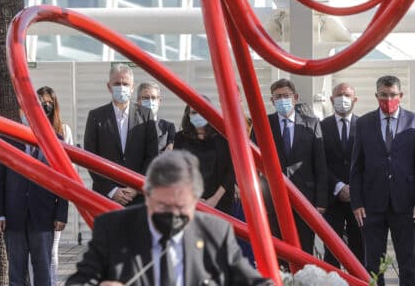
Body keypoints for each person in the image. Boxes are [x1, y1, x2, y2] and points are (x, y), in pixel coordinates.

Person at [65, 150, 272, 286]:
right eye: (163, 205)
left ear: (195, 201)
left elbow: (252, 281)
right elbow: (79, 281)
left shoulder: (215, 232)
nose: (172, 214)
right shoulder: (113, 228)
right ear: (147, 196)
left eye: (180, 207)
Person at [350, 75, 415, 286]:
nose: (388, 99)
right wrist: (356, 203)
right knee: (372, 265)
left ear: (401, 95)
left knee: (408, 263)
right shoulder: (364, 123)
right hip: (371, 206)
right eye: (383, 95)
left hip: (405, 205)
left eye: (393, 94)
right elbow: (356, 167)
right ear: (377, 95)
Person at [0, 110, 69, 286]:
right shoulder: (7, 140)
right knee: (16, 273)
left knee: (43, 272)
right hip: (14, 217)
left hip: (44, 216)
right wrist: (0, 214)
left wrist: (61, 212)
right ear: (22, 111)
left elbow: (63, 179)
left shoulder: (55, 140)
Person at [264, 78, 328, 254]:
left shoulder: (312, 123)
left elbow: (320, 165)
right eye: (277, 97)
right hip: (273, 199)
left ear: (295, 97)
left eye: (286, 96)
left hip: (305, 199)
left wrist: (321, 202)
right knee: (277, 251)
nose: (282, 100)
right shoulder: (263, 124)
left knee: (304, 250)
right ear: (272, 100)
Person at [83, 64, 158, 206]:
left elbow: (152, 155)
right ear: (109, 86)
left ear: (132, 87)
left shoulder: (146, 115)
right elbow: (90, 156)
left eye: (125, 84)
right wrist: (112, 190)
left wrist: (137, 187)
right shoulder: (96, 116)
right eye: (117, 83)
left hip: (138, 198)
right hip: (106, 197)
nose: (122, 87)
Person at [320, 82, 363, 267]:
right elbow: (320, 162)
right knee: (332, 251)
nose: (343, 99)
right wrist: (338, 186)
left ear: (354, 100)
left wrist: (354, 187)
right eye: (339, 95)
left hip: (359, 200)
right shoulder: (321, 126)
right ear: (331, 99)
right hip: (332, 198)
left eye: (347, 95)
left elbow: (368, 162)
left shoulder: (364, 125)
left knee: (359, 250)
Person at [37, 86, 74, 285]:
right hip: (33, 199)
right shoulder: (29, 129)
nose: (46, 106)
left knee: (51, 252)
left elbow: (67, 171)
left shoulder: (63, 131)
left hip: (53, 199)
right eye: (42, 102)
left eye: (50, 102)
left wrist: (63, 209)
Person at [173, 97, 235, 214]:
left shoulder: (222, 138)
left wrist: (214, 199)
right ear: (188, 115)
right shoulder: (180, 138)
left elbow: (231, 171)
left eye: (202, 111)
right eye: (194, 112)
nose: (198, 115)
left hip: (219, 203)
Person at [137, 81, 176, 153]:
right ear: (138, 101)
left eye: (153, 98)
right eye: (146, 98)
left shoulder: (168, 127)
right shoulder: (129, 125)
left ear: (159, 101)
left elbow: (169, 155)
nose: (150, 101)